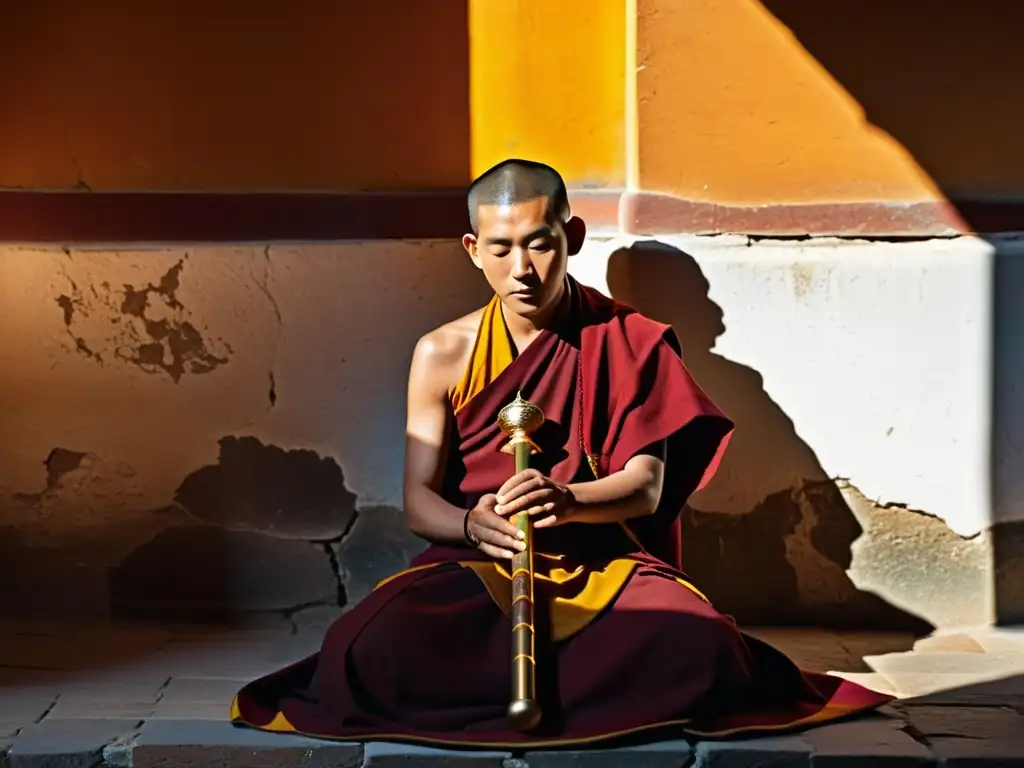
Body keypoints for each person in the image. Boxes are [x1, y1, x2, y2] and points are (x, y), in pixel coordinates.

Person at [231, 159, 893, 748]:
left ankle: (536, 691)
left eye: (541, 245)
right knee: (365, 647)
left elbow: (645, 488)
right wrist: (471, 524)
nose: (523, 269)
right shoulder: (442, 353)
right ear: (472, 250)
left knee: (701, 643)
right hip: (480, 564)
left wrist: (567, 499)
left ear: (570, 239)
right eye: (502, 248)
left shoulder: (631, 340)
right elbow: (419, 503)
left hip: (600, 561)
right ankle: (572, 691)